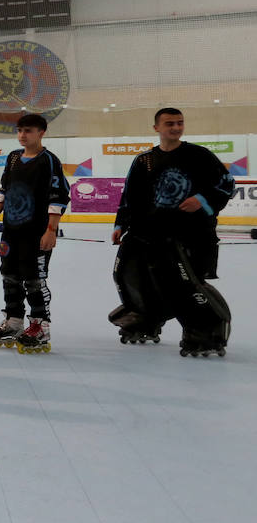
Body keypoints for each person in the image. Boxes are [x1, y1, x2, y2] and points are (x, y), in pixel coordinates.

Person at [110, 107, 235, 357]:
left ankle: (206, 331)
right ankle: (145, 318)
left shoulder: (199, 156)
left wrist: (201, 199)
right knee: (128, 275)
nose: (175, 128)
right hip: (147, 233)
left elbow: (226, 184)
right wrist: (120, 223)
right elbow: (130, 196)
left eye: (179, 123)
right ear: (157, 128)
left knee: (183, 285)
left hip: (190, 234)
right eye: (169, 123)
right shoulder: (144, 160)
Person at [0, 114, 69, 352]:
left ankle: (40, 325)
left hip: (36, 234)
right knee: (9, 275)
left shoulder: (49, 161)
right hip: (11, 233)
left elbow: (58, 198)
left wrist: (51, 230)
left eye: (28, 131)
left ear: (42, 132)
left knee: (33, 279)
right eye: (19, 130)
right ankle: (14, 321)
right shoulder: (12, 159)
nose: (22, 135)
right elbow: (4, 189)